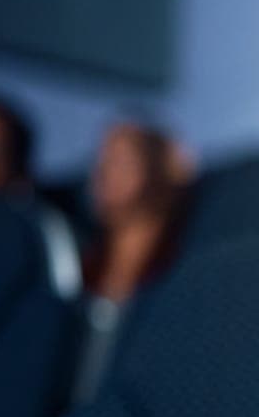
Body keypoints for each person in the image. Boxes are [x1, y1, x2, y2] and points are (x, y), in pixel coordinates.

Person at [81, 119, 191, 303]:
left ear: (154, 168)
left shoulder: (178, 257)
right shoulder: (85, 264)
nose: (105, 172)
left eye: (121, 161)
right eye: (103, 161)